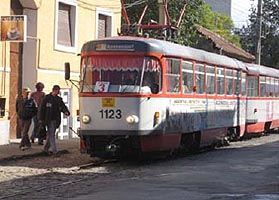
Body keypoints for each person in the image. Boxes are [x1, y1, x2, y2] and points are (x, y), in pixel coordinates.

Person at [40, 85, 70, 155]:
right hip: (48, 119)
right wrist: (41, 119)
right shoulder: (47, 98)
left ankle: (45, 149)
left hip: (56, 120)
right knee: (52, 135)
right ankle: (54, 151)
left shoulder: (58, 99)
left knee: (50, 134)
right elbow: (42, 109)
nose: (58, 92)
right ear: (55, 90)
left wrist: (66, 112)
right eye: (58, 91)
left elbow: (63, 107)